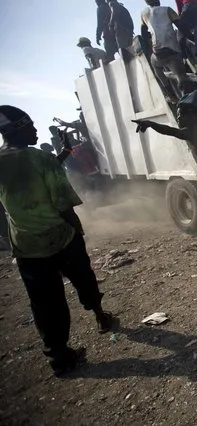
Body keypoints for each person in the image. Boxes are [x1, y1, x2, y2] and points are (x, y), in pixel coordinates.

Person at [0, 105, 114, 376]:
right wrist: (77, 229)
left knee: (44, 303)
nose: (35, 129)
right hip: (60, 238)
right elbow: (63, 203)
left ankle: (59, 358)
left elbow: (27, 179)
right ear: (17, 129)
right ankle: (100, 317)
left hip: (27, 247)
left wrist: (63, 154)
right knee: (83, 278)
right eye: (30, 124)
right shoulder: (39, 158)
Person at [141, 0, 189, 95]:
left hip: (157, 53)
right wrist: (192, 38)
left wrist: (151, 44)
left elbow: (144, 34)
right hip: (173, 52)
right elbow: (182, 28)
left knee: (155, 65)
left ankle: (170, 93)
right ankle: (184, 93)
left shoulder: (144, 13)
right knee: (182, 77)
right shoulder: (167, 10)